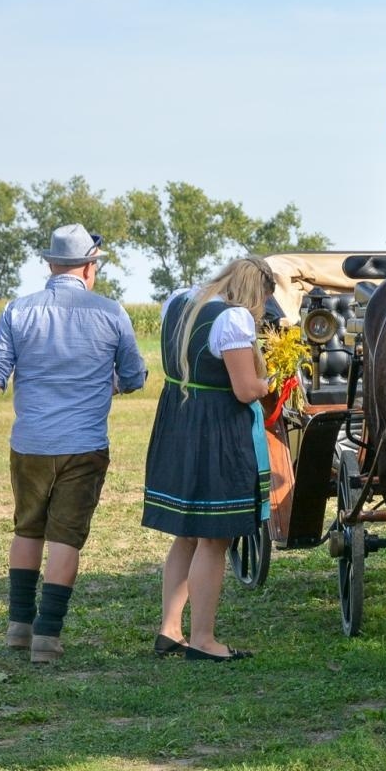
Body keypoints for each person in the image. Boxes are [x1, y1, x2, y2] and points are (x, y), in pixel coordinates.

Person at [0, 224, 147, 664]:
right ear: (89, 267)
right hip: (84, 444)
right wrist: (104, 385)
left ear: (50, 263)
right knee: (65, 540)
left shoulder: (18, 311)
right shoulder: (111, 312)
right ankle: (47, 637)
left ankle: (18, 627)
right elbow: (133, 376)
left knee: (27, 529)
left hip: (31, 443)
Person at [142, 257, 275, 663]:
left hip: (178, 420)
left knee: (187, 532)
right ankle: (202, 638)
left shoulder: (179, 301)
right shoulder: (233, 320)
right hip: (214, 430)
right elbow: (245, 390)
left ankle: (169, 630)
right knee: (214, 537)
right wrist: (277, 380)